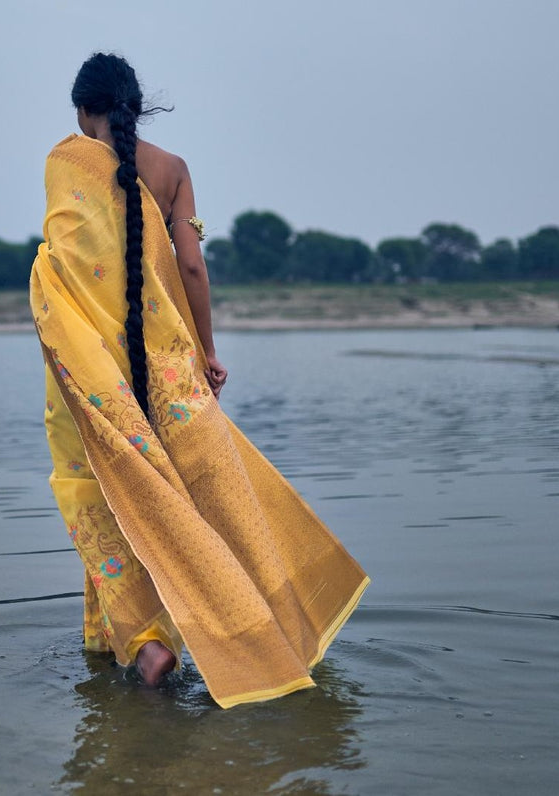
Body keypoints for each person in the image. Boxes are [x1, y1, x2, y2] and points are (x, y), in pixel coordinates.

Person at [29, 53, 369, 708]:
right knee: (215, 503)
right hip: (169, 375)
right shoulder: (172, 171)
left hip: (96, 378)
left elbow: (67, 276)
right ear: (135, 105)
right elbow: (189, 269)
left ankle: (147, 644)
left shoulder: (61, 164)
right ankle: (259, 631)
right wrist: (208, 352)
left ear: (81, 110)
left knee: (108, 494)